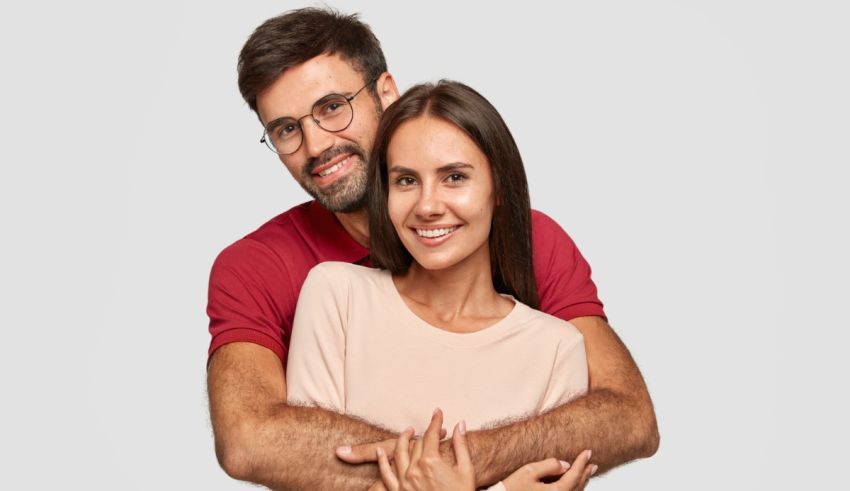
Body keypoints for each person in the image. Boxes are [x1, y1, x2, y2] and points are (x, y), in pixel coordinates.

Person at [206, 7, 659, 490]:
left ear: (385, 92)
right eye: (286, 129)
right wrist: (451, 479)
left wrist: (450, 469)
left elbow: (627, 415)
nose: (316, 144)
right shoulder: (262, 268)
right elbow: (250, 439)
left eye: (333, 106)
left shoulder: (532, 240)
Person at [286, 80, 597, 491]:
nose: (428, 206)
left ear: (499, 186)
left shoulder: (556, 349)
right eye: (406, 181)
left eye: (453, 177)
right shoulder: (336, 295)